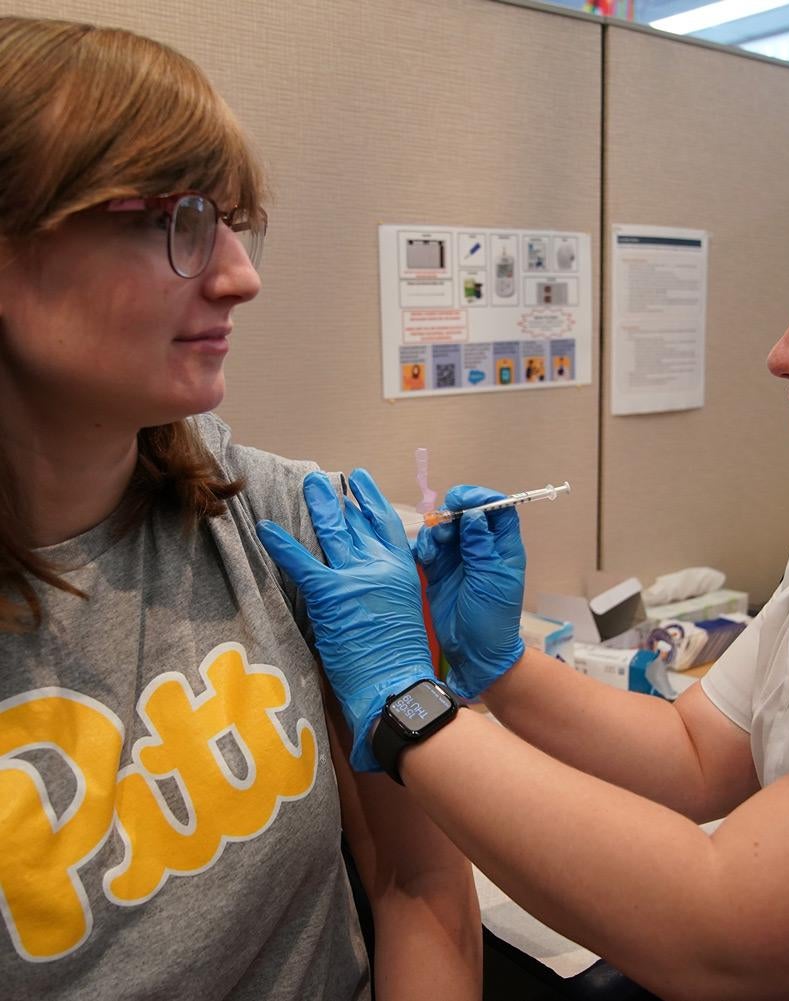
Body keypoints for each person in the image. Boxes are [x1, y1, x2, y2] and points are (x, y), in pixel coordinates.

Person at [258, 129, 789, 1000]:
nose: (784, 354)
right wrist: (500, 662)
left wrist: (403, 700)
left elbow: (721, 927)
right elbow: (696, 754)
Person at [0, 16, 480, 1001]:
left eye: (228, 220)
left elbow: (418, 875)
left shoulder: (274, 517)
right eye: (169, 219)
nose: (240, 275)